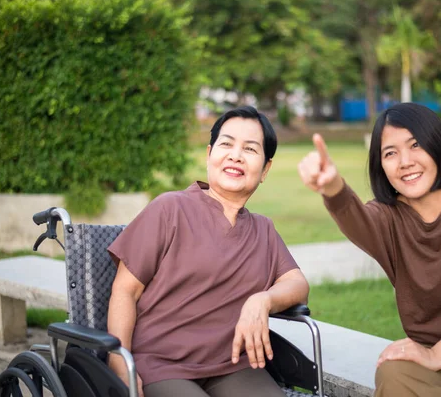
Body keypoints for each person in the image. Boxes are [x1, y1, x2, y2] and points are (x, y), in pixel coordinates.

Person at [298, 102, 441, 397]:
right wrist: (333, 187)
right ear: (380, 165)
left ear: (437, 144)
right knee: (393, 373)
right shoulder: (388, 216)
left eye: (415, 145)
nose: (405, 161)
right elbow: (358, 220)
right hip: (425, 356)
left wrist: (440, 353)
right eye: (390, 153)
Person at [107, 106, 309, 397]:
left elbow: (298, 284)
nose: (235, 155)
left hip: (233, 367)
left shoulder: (263, 230)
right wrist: (119, 362)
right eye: (226, 144)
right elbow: (125, 291)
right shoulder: (170, 209)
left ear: (265, 169)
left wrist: (262, 300)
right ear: (209, 153)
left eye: (250, 149)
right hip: (162, 366)